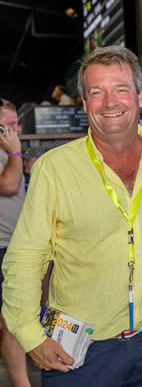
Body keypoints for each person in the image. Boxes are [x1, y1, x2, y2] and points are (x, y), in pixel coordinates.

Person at [2, 46, 142, 386]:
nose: (110, 102)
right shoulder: (55, 169)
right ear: (84, 101)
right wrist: (30, 335)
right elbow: (25, 258)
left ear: (139, 95)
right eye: (96, 93)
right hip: (79, 352)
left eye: (121, 90)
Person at [0, 99, 31, 387]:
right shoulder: (10, 152)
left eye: (15, 123)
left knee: (14, 319)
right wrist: (16, 153)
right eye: (8, 125)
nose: (15, 129)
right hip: (1, 247)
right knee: (9, 322)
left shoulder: (9, 153)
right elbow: (8, 185)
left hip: (16, 245)